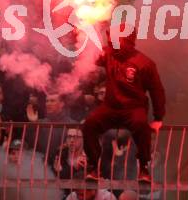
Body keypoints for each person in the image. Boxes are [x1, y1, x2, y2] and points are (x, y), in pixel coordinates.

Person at [82, 25, 166, 182]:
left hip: (133, 108)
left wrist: (158, 117)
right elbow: (91, 53)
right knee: (89, 125)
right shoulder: (108, 54)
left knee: (142, 126)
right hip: (110, 108)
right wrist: (85, 30)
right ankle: (93, 167)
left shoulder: (145, 63)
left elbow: (157, 91)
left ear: (128, 40)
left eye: (117, 37)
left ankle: (144, 169)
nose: (113, 41)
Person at [26, 91, 76, 163]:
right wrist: (33, 124)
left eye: (52, 101)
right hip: (42, 164)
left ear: (62, 104)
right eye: (47, 101)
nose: (48, 104)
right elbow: (30, 143)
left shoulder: (72, 124)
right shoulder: (40, 122)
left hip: (64, 165)